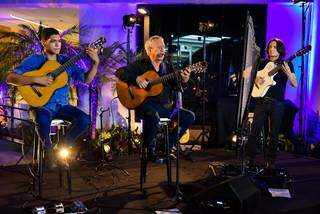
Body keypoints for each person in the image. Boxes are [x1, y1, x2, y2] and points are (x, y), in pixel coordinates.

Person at [6, 27, 100, 167]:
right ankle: (48, 152)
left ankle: (60, 149)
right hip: (42, 106)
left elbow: (86, 79)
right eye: (53, 41)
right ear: (44, 43)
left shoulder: (66, 61)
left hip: (62, 106)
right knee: (42, 119)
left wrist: (95, 63)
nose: (57, 44)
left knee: (84, 119)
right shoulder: (35, 60)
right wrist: (36, 80)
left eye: (59, 41)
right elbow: (10, 78)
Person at [116, 35, 195, 161]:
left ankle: (168, 146)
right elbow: (120, 72)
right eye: (158, 48)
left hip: (166, 107)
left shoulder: (168, 68)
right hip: (147, 106)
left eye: (163, 47)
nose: (162, 50)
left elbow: (177, 87)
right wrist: (136, 78)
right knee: (152, 115)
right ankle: (149, 149)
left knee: (189, 116)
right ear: (149, 51)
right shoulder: (140, 65)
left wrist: (184, 80)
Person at [246, 38, 297, 168]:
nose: (271, 49)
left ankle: (270, 162)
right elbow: (247, 74)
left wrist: (288, 73)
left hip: (277, 104)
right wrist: (256, 78)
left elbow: (294, 84)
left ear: (279, 49)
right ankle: (249, 160)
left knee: (273, 134)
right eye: (269, 47)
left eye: (274, 47)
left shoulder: (286, 64)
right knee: (254, 132)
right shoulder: (262, 63)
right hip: (261, 102)